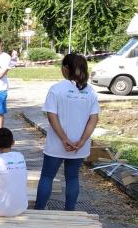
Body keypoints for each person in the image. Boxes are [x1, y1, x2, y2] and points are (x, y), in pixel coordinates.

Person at [34, 54, 99, 211]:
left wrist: (63, 139)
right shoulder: (91, 92)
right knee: (72, 177)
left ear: (65, 69)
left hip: (57, 143)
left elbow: (52, 116)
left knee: (47, 176)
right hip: (78, 145)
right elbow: (94, 119)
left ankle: (39, 210)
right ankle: (70, 211)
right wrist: (82, 141)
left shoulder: (57, 89)